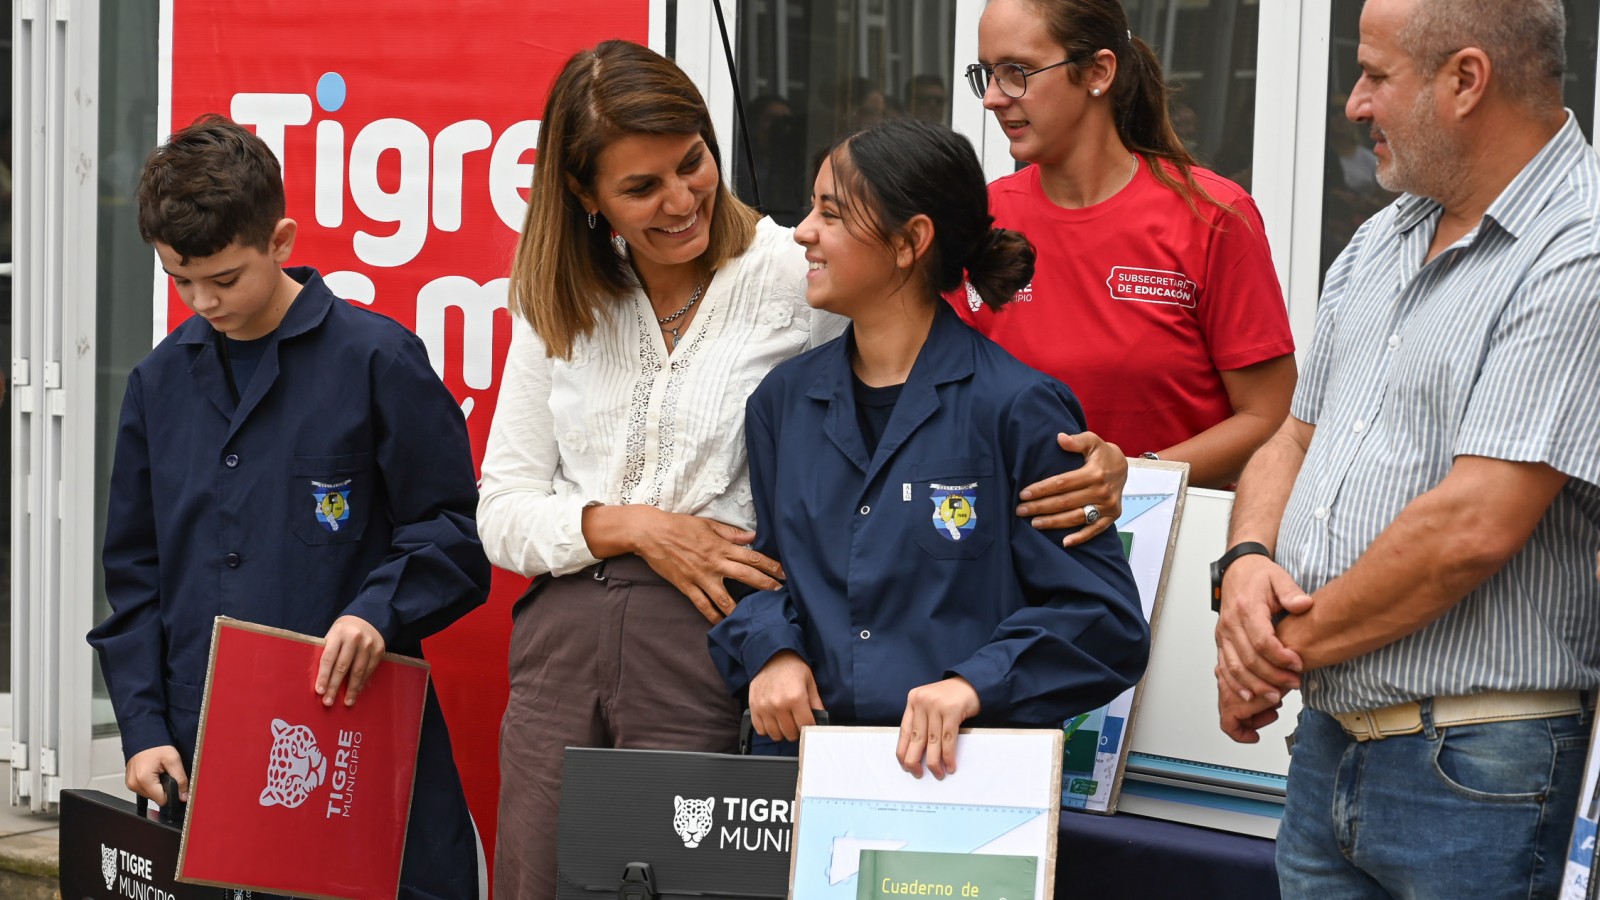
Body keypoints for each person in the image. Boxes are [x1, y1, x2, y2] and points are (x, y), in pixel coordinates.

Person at [477, 40, 1130, 900]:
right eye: (641, 188)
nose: (681, 200)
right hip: (607, 650)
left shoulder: (804, 279)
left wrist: (1113, 462)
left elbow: (961, 386)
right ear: (585, 196)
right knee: (542, 875)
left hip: (816, 707)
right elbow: (511, 507)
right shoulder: (771, 391)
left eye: (693, 164)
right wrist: (740, 618)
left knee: (684, 882)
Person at [1212, 0, 1600, 895]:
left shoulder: (1575, 251)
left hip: (1479, 767)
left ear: (1466, 80)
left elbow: (1471, 529)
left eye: (1376, 76)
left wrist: (1270, 650)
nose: (1353, 104)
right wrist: (1244, 564)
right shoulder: (1383, 236)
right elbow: (1290, 440)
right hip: (1332, 746)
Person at [87, 116, 490, 898]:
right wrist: (141, 729)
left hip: (356, 747)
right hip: (202, 753)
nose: (203, 301)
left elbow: (453, 532)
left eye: (225, 279)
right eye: (181, 280)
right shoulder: (157, 385)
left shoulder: (378, 359)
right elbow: (134, 580)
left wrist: (379, 610)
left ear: (280, 239)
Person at [707, 117, 1149, 778]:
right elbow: (762, 573)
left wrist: (975, 684)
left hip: (961, 782)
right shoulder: (782, 403)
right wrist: (772, 651)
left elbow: (1104, 621)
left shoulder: (1019, 409)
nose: (802, 231)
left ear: (911, 240)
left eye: (830, 212)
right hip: (807, 770)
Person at [961, 0, 1297, 488]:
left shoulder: (1212, 214)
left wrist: (1136, 479)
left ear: (1098, 71)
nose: (993, 97)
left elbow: (1270, 415)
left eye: (1017, 72)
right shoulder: (980, 220)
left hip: (1168, 551)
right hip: (1010, 547)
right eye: (987, 73)